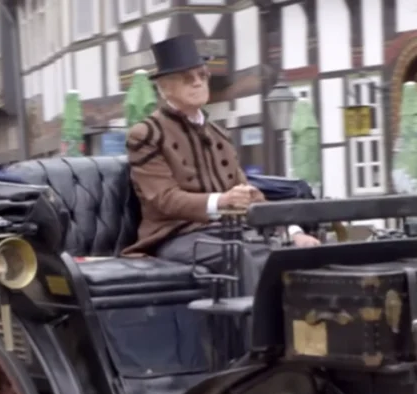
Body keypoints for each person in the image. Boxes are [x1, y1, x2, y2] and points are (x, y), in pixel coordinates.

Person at [122, 34, 318, 293]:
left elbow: (248, 194)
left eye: (202, 76)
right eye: (187, 78)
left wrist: (292, 232)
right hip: (176, 236)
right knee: (239, 256)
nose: (197, 82)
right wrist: (221, 201)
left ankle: (294, 331)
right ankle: (252, 334)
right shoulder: (147, 134)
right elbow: (163, 200)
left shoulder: (220, 135)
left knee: (290, 254)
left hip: (230, 231)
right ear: (164, 88)